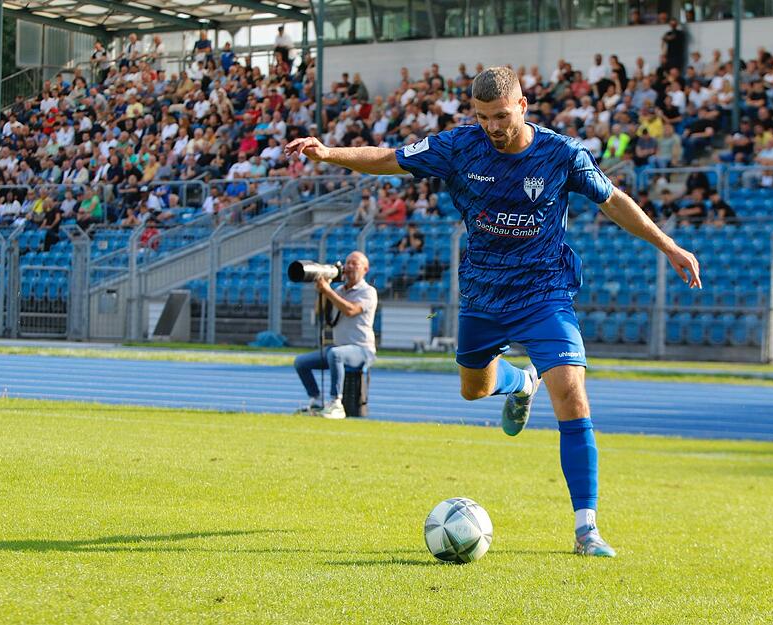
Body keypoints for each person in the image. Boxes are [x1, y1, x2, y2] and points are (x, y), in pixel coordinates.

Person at [286, 66, 701, 557]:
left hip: (544, 292)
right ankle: (520, 383)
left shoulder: (561, 153)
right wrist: (328, 152)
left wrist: (668, 245)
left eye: (501, 115)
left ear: (523, 107)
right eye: (483, 116)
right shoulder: (460, 146)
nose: (493, 126)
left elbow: (613, 202)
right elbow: (388, 158)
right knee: (473, 389)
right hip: (483, 295)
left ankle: (586, 529)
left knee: (570, 391)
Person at [293, 252, 377, 420]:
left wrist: (329, 291)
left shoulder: (368, 292)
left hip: (362, 350)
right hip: (340, 348)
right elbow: (319, 312)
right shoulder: (339, 290)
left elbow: (350, 310)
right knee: (301, 362)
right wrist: (323, 292)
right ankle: (316, 400)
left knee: (335, 354)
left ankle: (336, 403)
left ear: (365, 269)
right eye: (348, 263)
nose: (350, 267)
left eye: (355, 264)